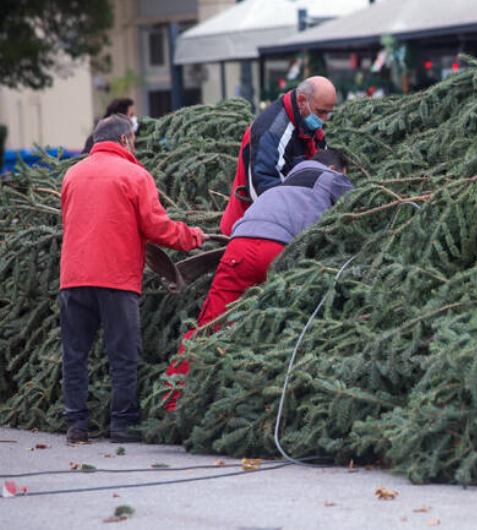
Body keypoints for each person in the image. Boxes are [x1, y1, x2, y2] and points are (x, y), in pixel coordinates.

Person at [162, 148, 353, 412]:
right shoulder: (331, 179)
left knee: (208, 326)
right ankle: (268, 406)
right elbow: (357, 210)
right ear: (335, 169)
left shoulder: (274, 190)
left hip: (237, 250)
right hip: (278, 252)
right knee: (280, 327)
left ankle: (170, 399)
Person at [60, 115, 207, 443]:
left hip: (73, 277)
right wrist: (194, 236)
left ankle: (77, 425)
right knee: (123, 353)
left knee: (75, 354)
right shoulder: (135, 175)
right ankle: (122, 424)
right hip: (115, 278)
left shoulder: (72, 174)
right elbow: (158, 228)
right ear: (125, 140)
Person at [219, 76, 337, 236]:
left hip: (288, 227)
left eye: (328, 113)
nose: (324, 120)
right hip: (252, 230)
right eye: (321, 112)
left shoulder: (310, 126)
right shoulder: (272, 130)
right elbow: (263, 188)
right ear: (302, 100)